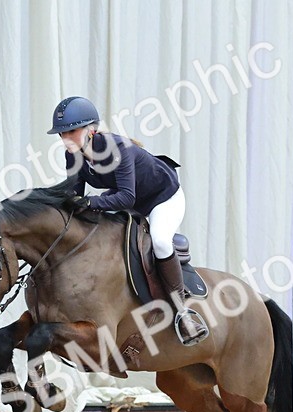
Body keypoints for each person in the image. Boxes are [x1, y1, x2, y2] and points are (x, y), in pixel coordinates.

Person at [48, 96, 209, 346]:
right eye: (62, 133)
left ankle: (183, 313)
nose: (65, 138)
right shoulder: (73, 155)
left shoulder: (118, 149)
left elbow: (126, 197)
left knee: (161, 241)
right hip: (128, 199)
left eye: (71, 131)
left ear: (91, 130)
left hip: (163, 198)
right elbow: (75, 195)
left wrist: (90, 203)